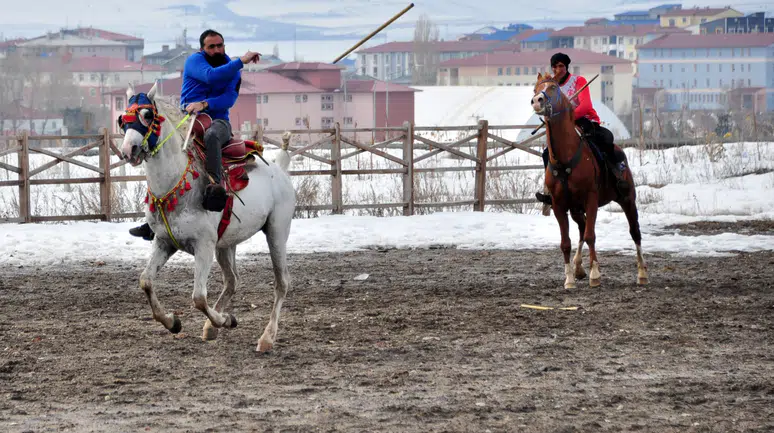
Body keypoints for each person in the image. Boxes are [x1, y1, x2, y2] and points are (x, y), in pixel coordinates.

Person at [129, 29, 261, 241]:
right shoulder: (195, 62)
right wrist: (240, 60)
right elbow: (211, 76)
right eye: (211, 47)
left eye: (220, 45)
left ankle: (215, 187)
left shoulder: (233, 70)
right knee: (161, 150)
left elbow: (229, 98)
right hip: (186, 119)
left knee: (211, 136)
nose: (217, 50)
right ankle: (154, 219)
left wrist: (206, 103)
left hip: (218, 121)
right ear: (202, 49)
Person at [535, 52, 629, 206]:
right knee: (548, 153)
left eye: (561, 66)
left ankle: (617, 177)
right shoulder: (551, 87)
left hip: (583, 120)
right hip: (562, 127)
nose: (558, 69)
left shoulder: (578, 81)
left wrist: (568, 118)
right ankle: (552, 191)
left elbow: (585, 106)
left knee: (605, 139)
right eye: (555, 67)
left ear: (566, 67)